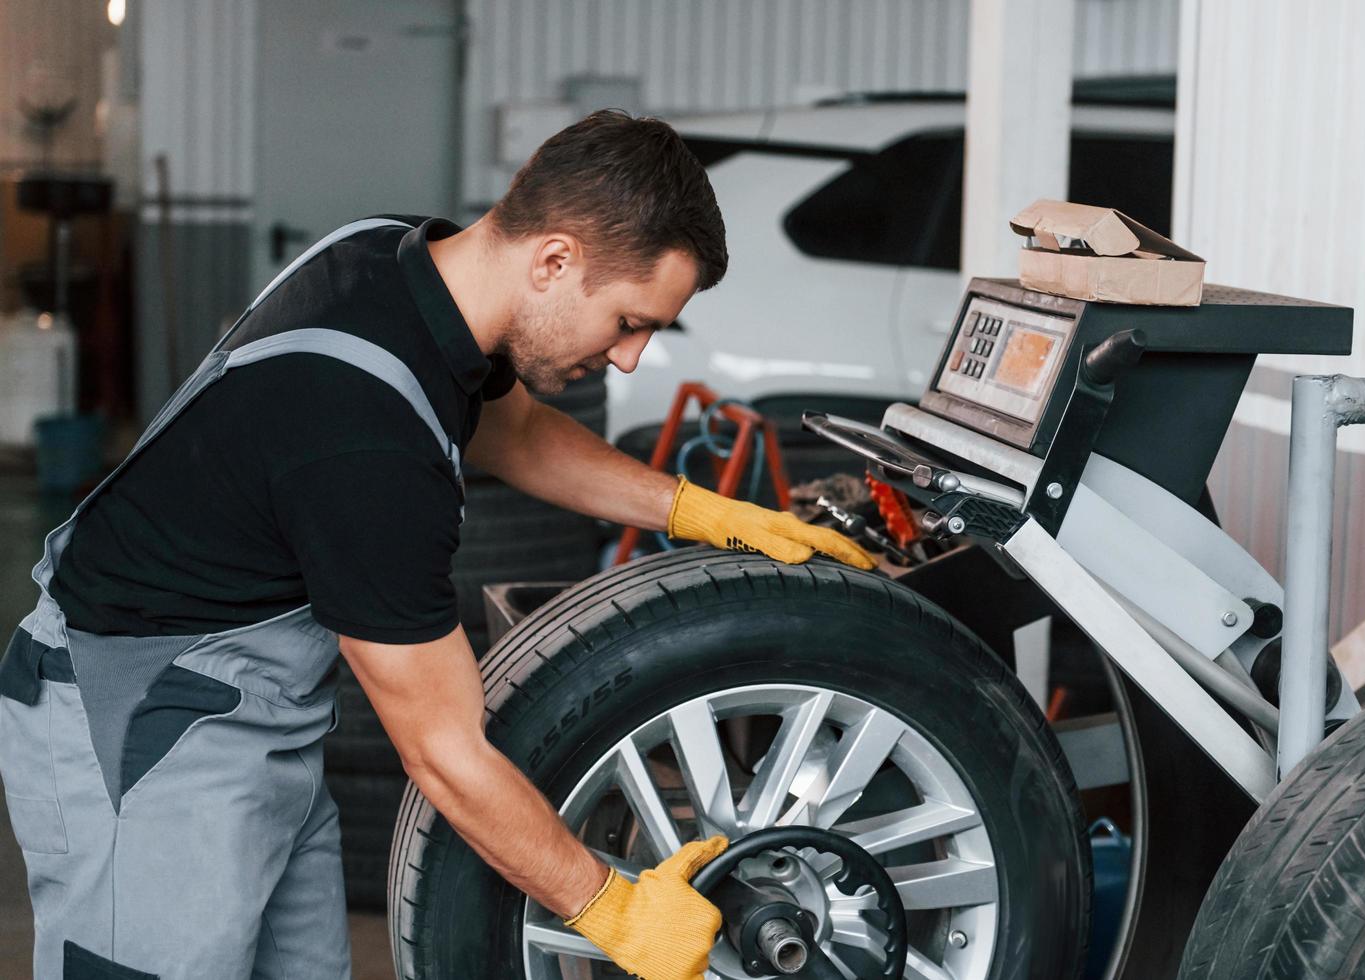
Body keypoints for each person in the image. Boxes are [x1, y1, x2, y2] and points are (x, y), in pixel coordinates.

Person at [0, 109, 874, 980]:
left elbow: (518, 437)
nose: (631, 359)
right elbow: (446, 757)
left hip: (257, 726)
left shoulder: (393, 257)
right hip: (140, 733)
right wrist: (614, 908)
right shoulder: (366, 445)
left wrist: (700, 510)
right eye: (628, 321)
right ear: (556, 260)